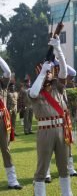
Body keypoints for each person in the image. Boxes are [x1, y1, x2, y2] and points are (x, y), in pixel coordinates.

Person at [29, 28, 73, 195]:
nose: (49, 73)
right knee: (42, 168)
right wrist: (41, 73)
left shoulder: (58, 87)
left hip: (61, 130)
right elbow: (32, 92)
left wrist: (58, 49)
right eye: (46, 71)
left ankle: (66, 193)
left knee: (64, 167)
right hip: (45, 131)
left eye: (49, 71)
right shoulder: (35, 91)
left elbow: (64, 71)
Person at [0, 56, 22, 190]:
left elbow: (7, 71)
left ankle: (12, 180)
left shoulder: (2, 84)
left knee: (6, 150)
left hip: (1, 121)